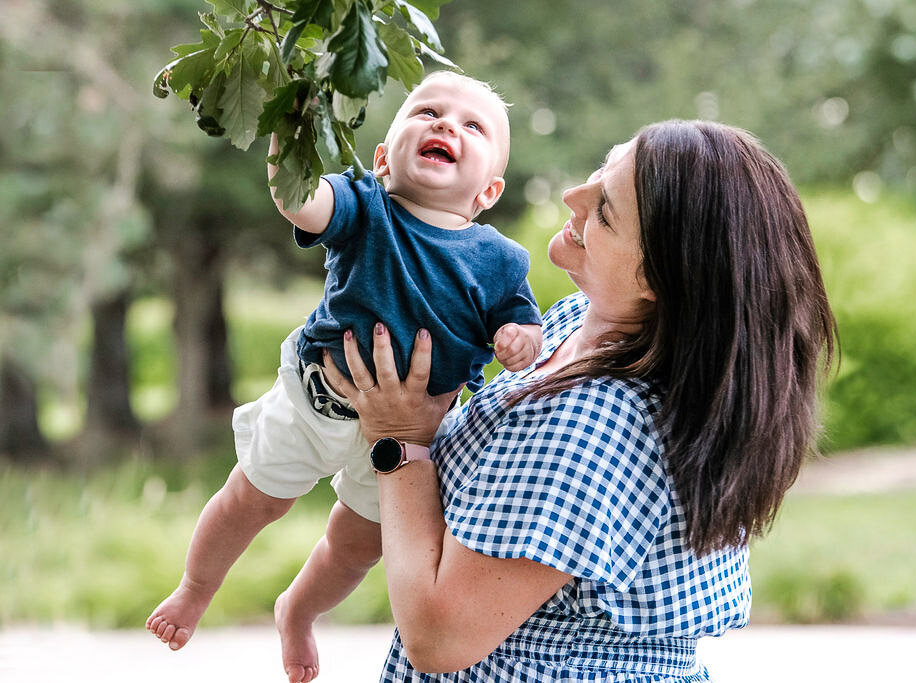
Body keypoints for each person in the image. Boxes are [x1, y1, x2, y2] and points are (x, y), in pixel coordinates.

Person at [308, 118, 838, 681]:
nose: (572, 196)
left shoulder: (597, 418)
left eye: (605, 210)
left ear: (658, 277)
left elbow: (440, 637)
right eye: (600, 170)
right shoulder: (572, 326)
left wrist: (401, 441)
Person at [145, 70, 544, 681]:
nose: (445, 125)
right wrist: (289, 130)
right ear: (384, 159)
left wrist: (520, 339)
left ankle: (298, 611)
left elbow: (519, 323)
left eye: (472, 126)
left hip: (404, 439)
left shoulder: (501, 260)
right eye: (427, 112)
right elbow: (299, 200)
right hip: (318, 400)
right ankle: (196, 589)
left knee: (356, 544)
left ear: (488, 190)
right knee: (251, 499)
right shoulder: (365, 206)